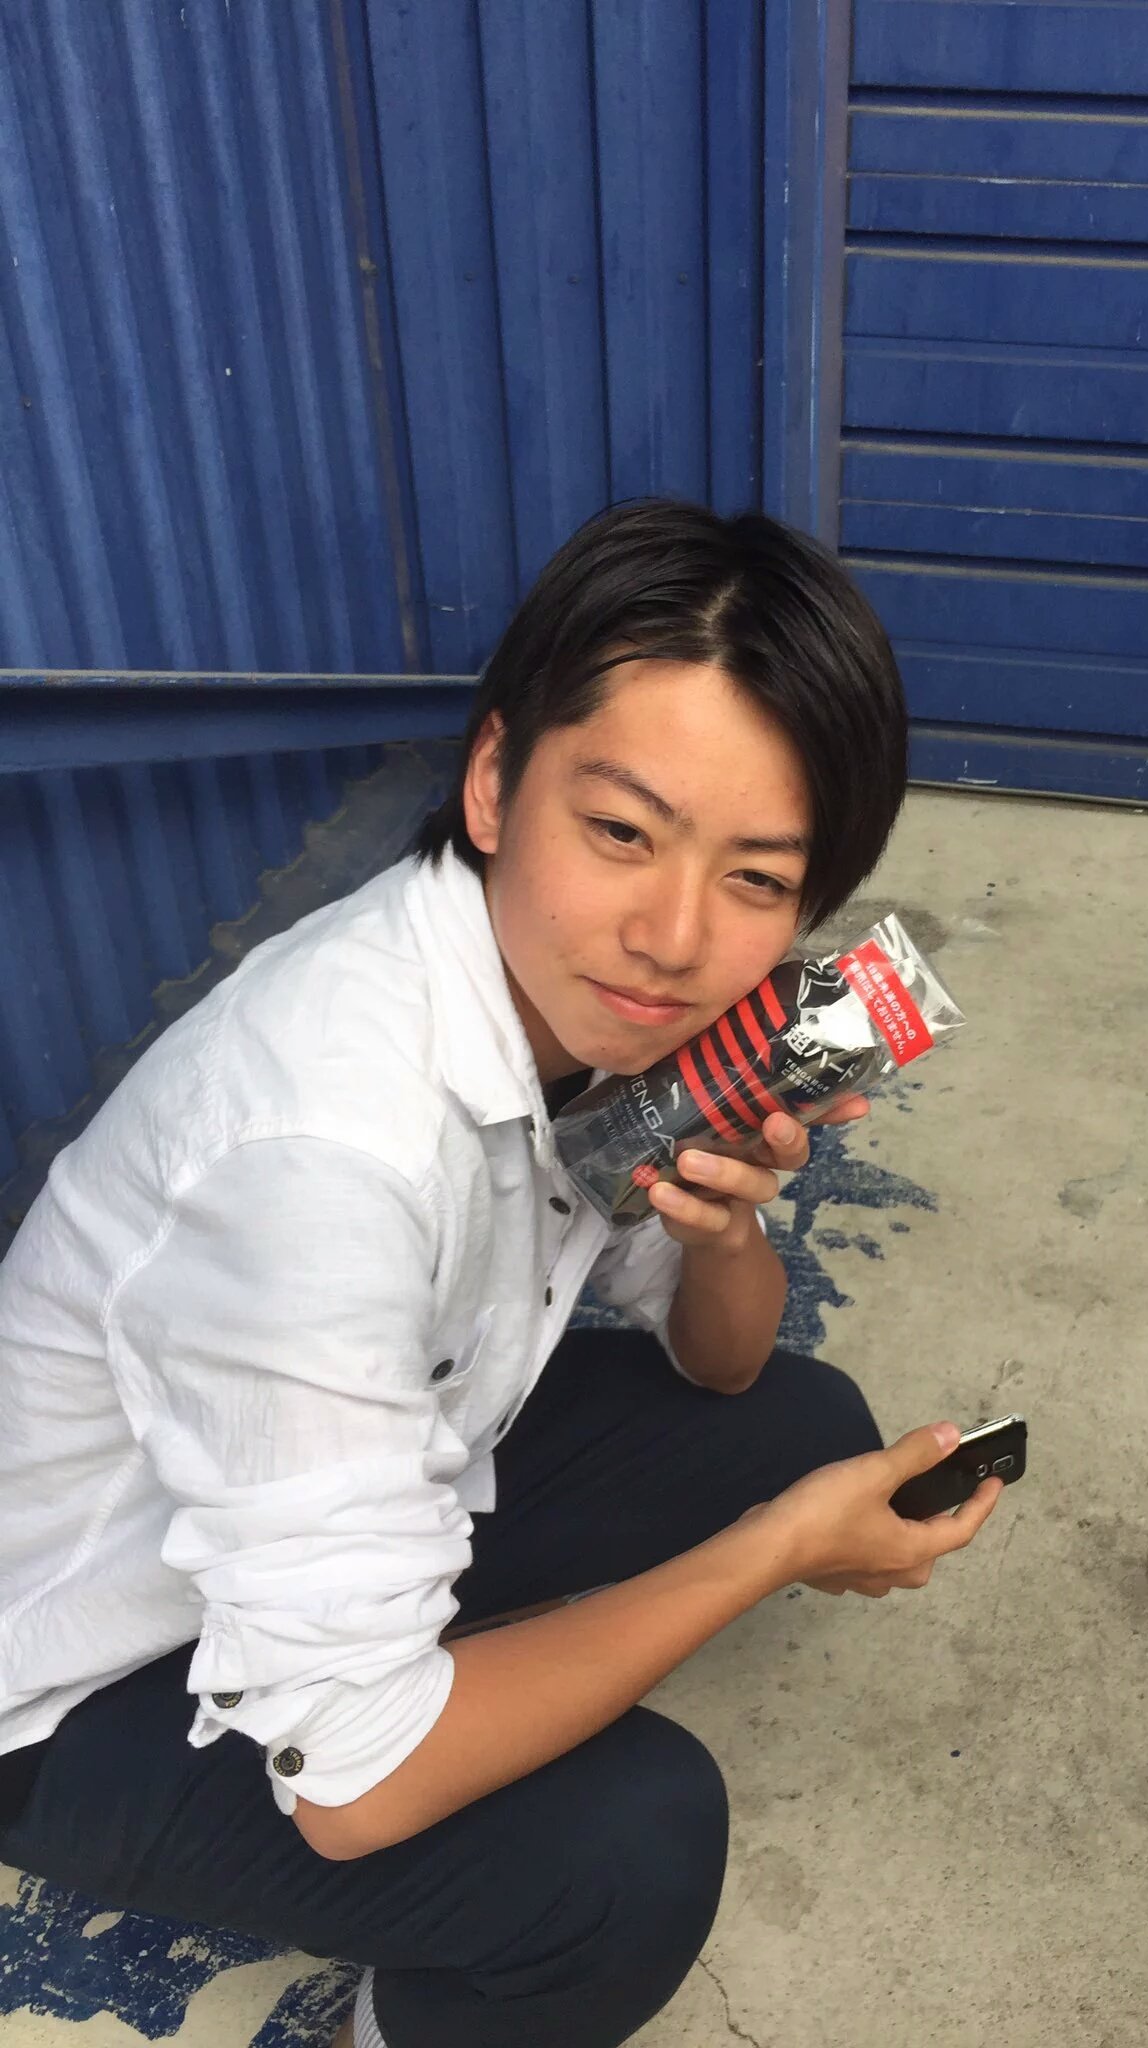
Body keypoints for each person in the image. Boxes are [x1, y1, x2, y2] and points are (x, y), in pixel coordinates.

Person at [0, 499, 1002, 2048]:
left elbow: (724, 1367)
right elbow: (357, 1787)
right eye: (622, 833)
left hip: (360, 1471)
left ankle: (429, 1625)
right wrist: (775, 1552)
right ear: (492, 783)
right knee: (632, 1853)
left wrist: (722, 1228)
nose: (672, 938)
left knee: (803, 1427)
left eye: (755, 879)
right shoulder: (319, 1156)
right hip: (83, 1672)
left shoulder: (571, 1001)